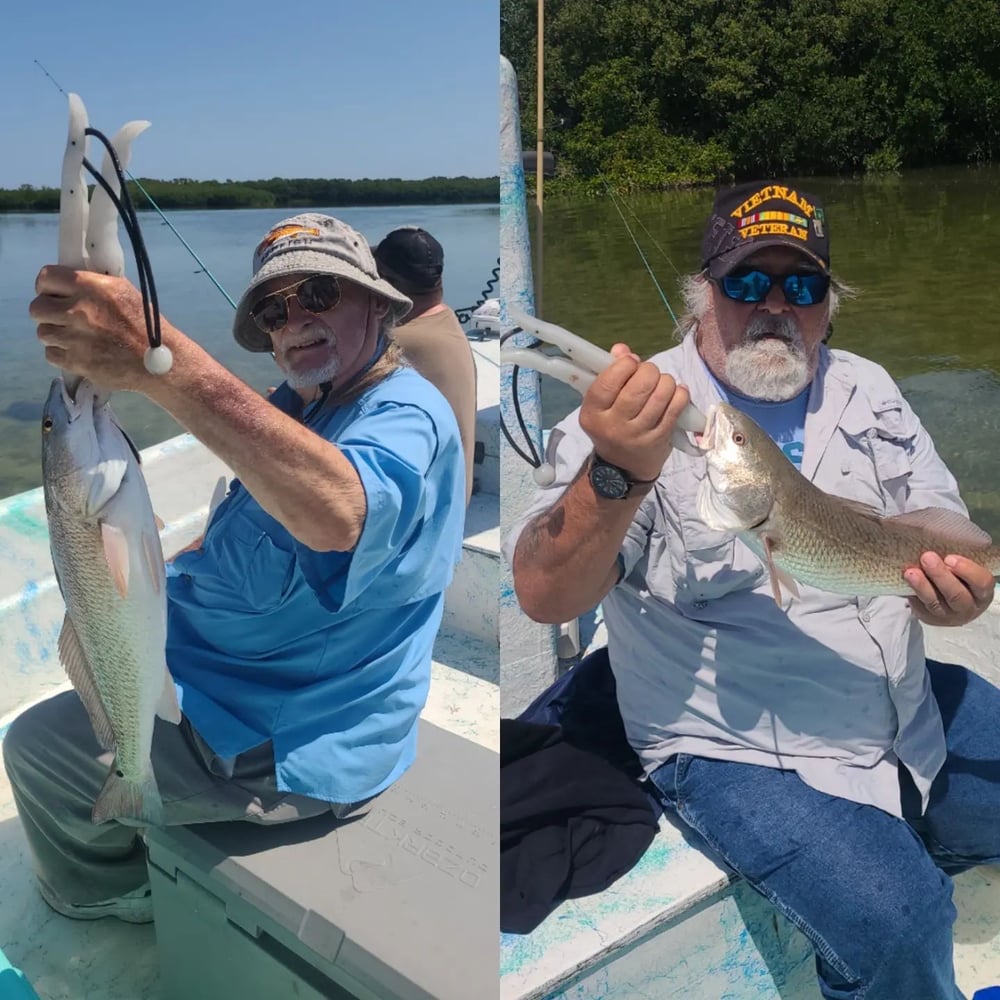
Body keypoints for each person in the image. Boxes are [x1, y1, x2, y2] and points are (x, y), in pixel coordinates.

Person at [505, 181, 1000, 999]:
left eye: (802, 286)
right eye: (746, 283)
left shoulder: (869, 387)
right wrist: (615, 470)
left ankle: (905, 836)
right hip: (735, 744)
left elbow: (941, 519)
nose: (775, 305)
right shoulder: (634, 415)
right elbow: (543, 593)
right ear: (702, 297)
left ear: (829, 306)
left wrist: (967, 593)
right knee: (903, 922)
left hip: (899, 700)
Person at [4, 213, 466, 924]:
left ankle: (107, 894)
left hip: (276, 737)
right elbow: (253, 530)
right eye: (273, 311)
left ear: (378, 301)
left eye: (318, 294)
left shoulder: (406, 414)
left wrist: (159, 362)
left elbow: (340, 512)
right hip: (207, 668)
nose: (293, 322)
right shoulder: (301, 403)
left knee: (33, 749)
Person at [374, 226, 478, 505]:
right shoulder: (445, 320)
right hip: (453, 498)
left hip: (426, 513)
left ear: (385, 282)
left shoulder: (395, 342)